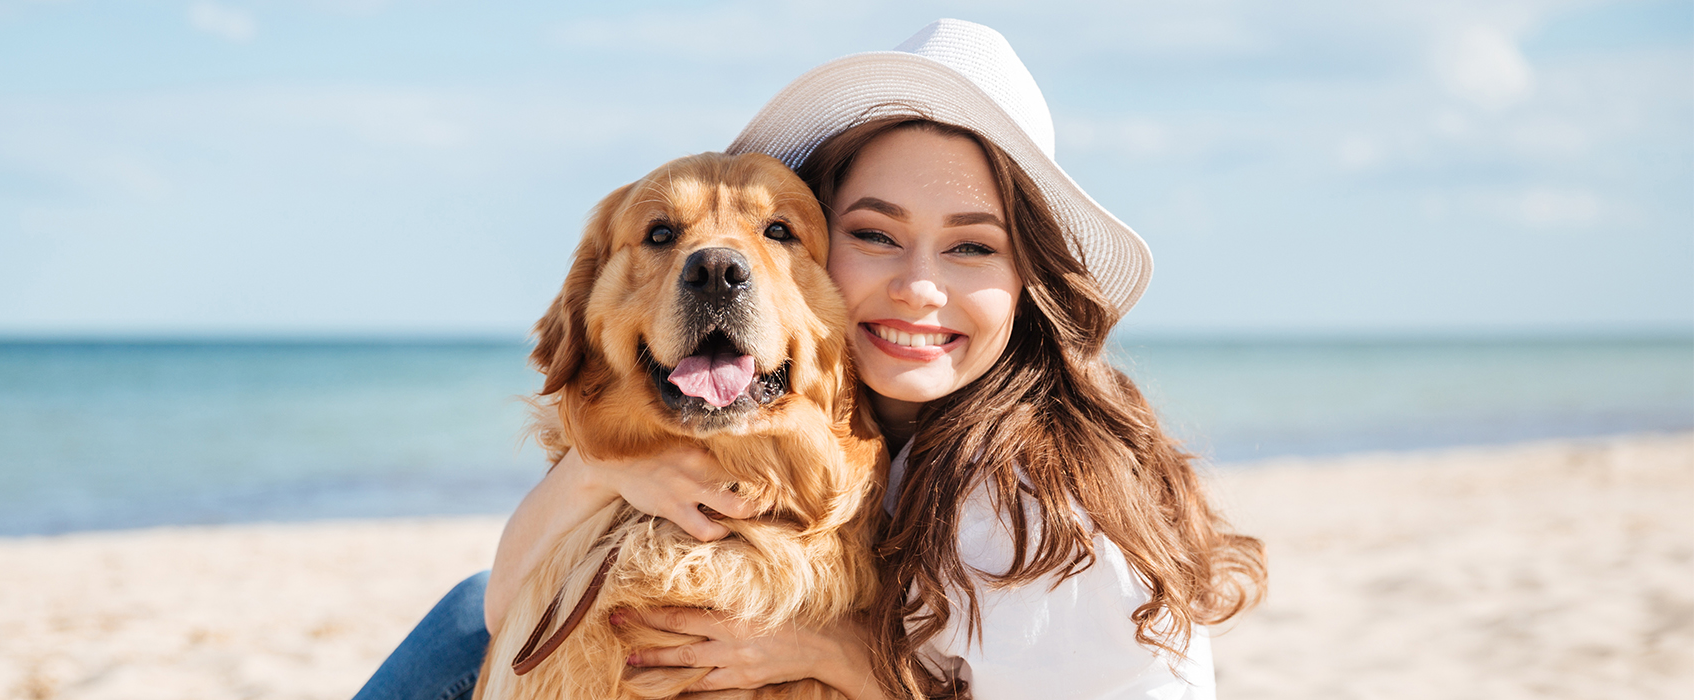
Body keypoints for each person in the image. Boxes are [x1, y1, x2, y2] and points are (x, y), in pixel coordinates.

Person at [356, 18, 1265, 700]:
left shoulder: (1045, 508)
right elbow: (502, 608)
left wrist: (844, 655)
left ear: (1029, 283)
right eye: (874, 235)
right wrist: (599, 470)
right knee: (463, 611)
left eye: (972, 248)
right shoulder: (879, 437)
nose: (917, 287)